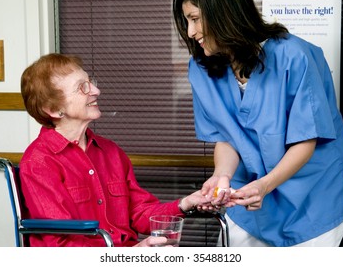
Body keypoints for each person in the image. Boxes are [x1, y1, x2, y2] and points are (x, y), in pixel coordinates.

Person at [172, 0, 343, 247]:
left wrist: (265, 185)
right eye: (187, 21)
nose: (190, 32)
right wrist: (221, 175)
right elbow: (227, 137)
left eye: (195, 19)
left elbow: (306, 140)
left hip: (313, 199)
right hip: (250, 200)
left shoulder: (294, 56)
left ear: (225, 13)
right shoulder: (202, 68)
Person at [19, 53, 209, 247]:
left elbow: (140, 213)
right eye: (82, 87)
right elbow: (60, 243)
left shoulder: (110, 152)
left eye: (90, 82)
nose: (96, 90)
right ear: (53, 108)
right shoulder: (39, 162)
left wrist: (185, 204)